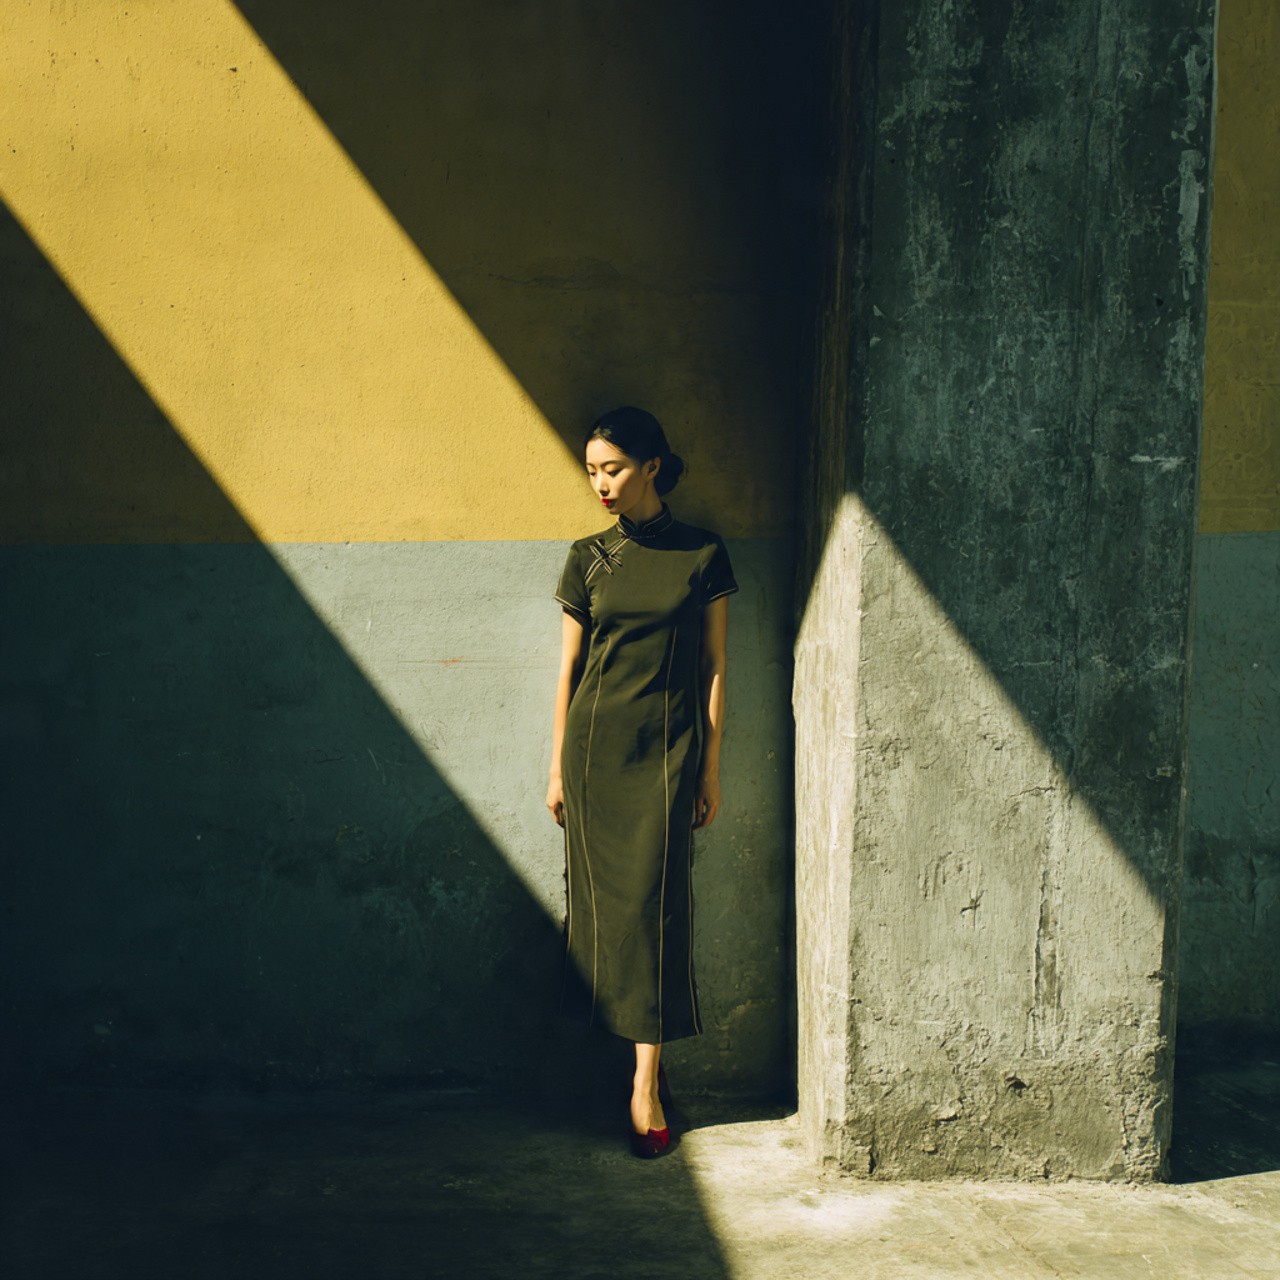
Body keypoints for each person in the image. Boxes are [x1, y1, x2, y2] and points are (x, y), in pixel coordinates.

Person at [546, 406, 738, 1159]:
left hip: (667, 754)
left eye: (614, 469)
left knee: (656, 914)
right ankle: (597, 1073)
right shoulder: (586, 556)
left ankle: (646, 1085)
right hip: (595, 755)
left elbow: (717, 666)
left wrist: (710, 764)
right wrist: (556, 763)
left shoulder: (703, 554)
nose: (600, 484)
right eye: (592, 470)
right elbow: (568, 670)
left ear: (653, 465)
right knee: (597, 917)